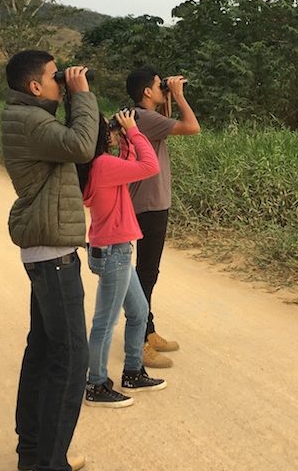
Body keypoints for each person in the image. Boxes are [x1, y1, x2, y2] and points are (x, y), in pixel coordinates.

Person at [1, 50, 98, 471]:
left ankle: (35, 454)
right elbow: (80, 146)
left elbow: (81, 147)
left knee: (43, 352)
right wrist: (83, 95)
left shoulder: (30, 117)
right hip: (53, 256)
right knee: (72, 357)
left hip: (48, 251)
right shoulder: (30, 120)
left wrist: (76, 99)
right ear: (34, 86)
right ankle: (48, 462)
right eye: (54, 76)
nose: (62, 81)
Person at [79, 110, 166, 407]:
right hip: (114, 251)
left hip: (118, 249)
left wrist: (127, 138)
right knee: (105, 322)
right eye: (109, 130)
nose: (113, 132)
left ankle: (132, 371)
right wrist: (134, 131)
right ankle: (96, 383)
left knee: (139, 312)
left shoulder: (101, 164)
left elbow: (131, 165)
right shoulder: (102, 165)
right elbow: (149, 166)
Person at [126, 67, 200, 368]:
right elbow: (191, 127)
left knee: (147, 272)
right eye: (160, 86)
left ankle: (149, 329)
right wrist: (180, 96)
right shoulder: (147, 119)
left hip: (145, 202)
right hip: (151, 204)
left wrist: (167, 96)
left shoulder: (137, 116)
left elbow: (169, 125)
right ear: (147, 91)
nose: (163, 89)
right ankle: (140, 341)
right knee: (146, 274)